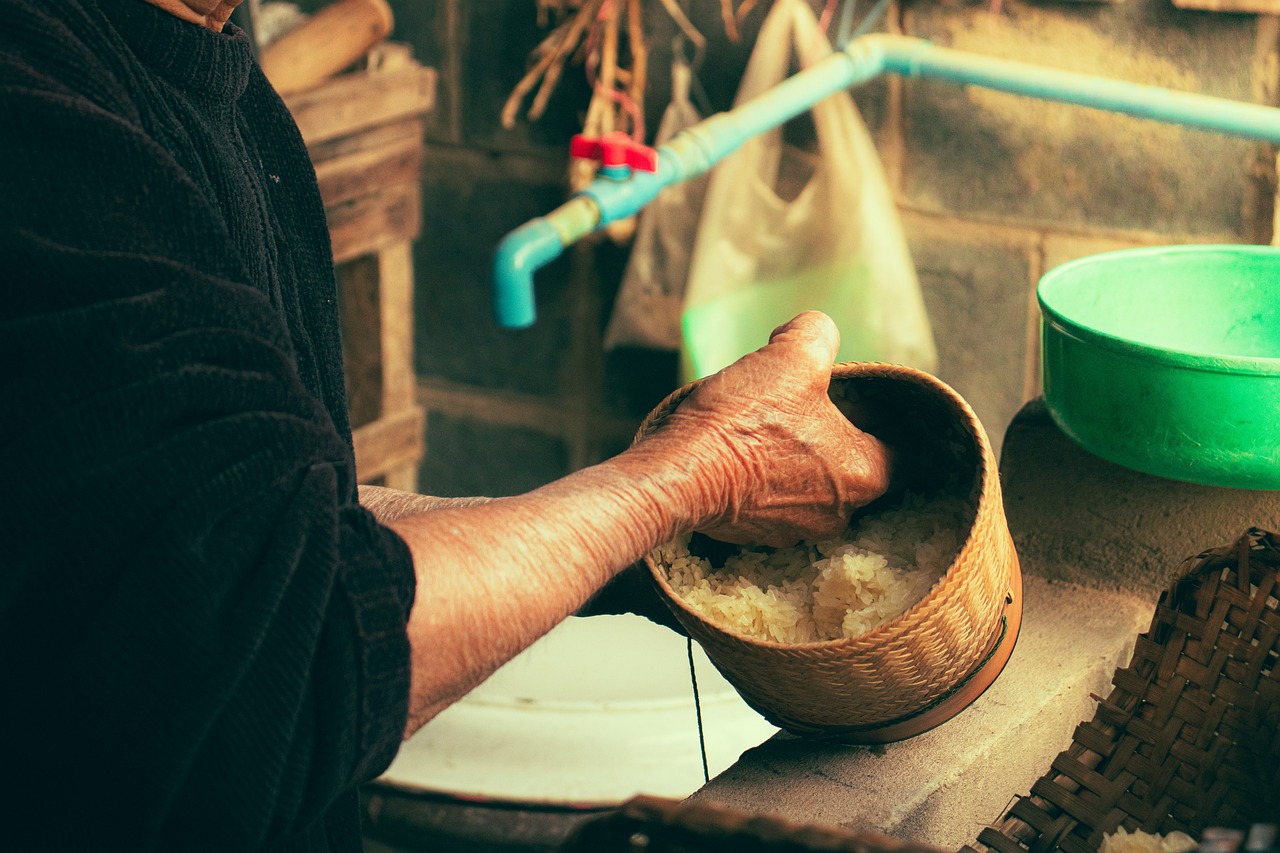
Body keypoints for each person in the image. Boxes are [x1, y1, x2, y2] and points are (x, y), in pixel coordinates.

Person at [0, 0, 892, 850]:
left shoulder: (221, 87)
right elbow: (289, 654)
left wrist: (645, 547)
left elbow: (284, 529)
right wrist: (700, 468)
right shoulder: (42, 123)